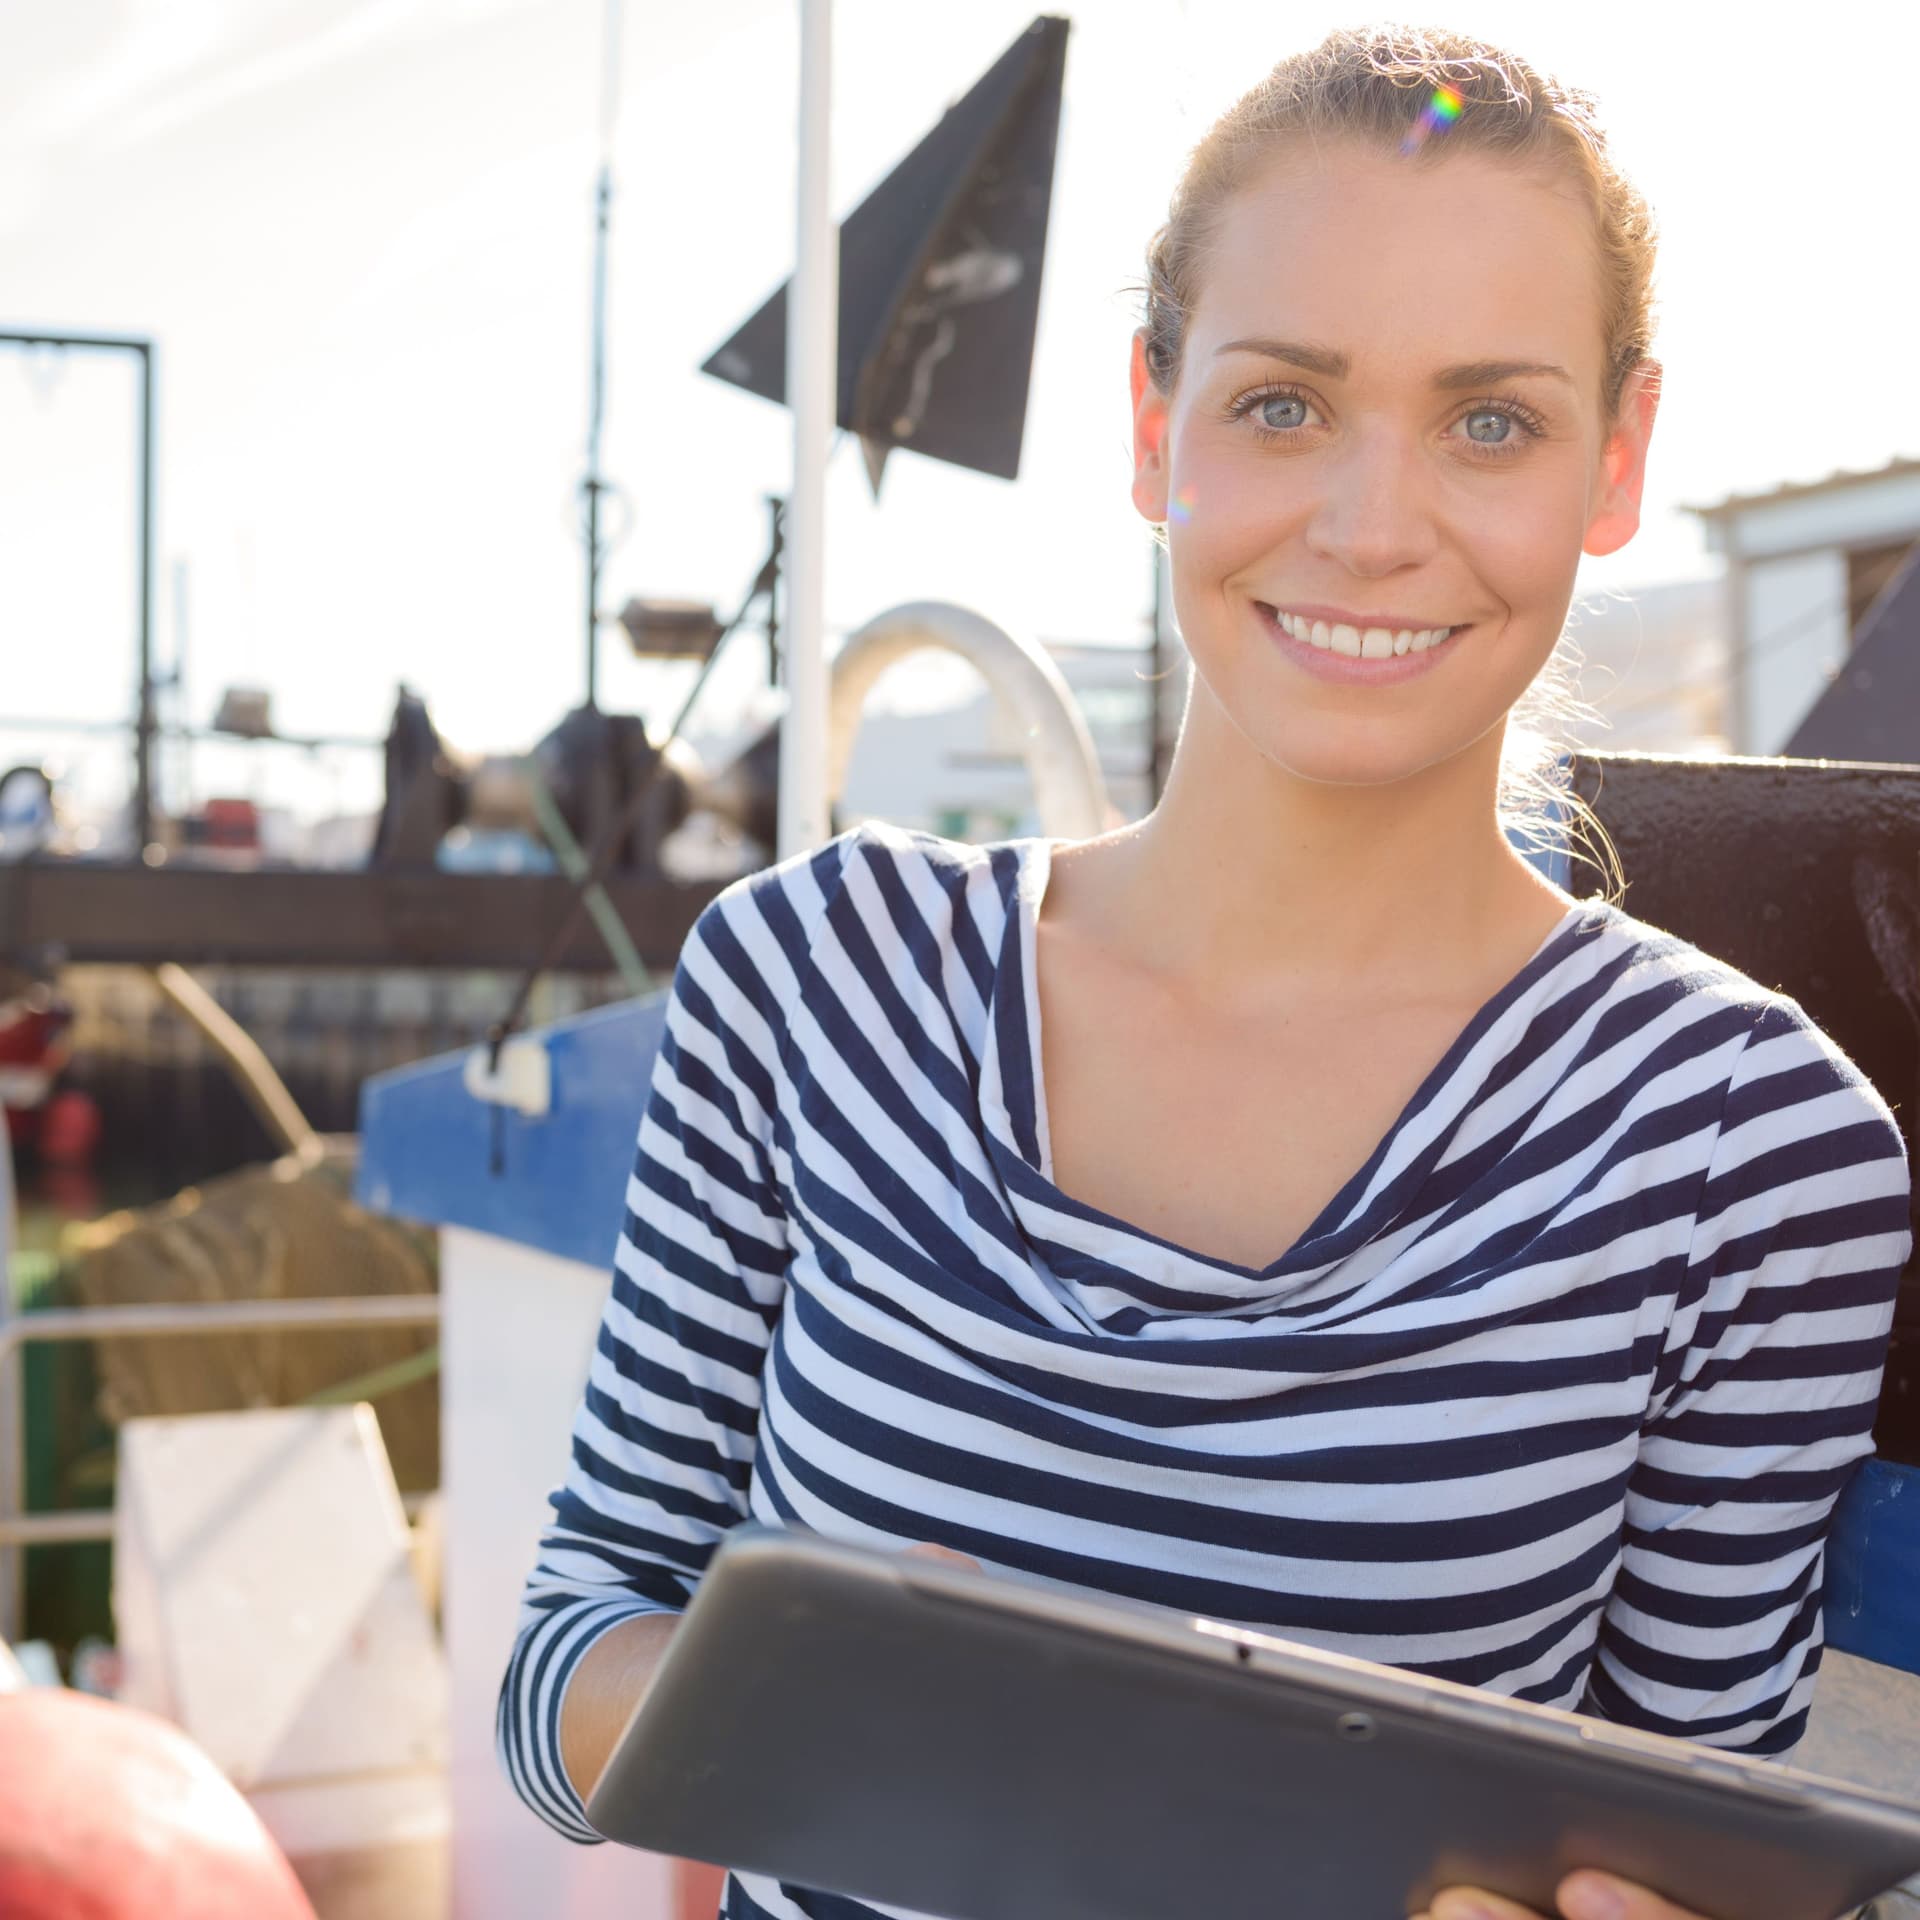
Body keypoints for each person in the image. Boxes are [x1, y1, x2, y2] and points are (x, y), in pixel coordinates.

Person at [497, 24, 1912, 1920]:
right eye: (1283, 405)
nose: (1373, 526)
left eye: (1490, 418)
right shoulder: (808, 974)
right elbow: (565, 1647)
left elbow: (1683, 1839)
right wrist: (827, 1711)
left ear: (1617, 457)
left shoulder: (1761, 1151)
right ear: (1153, 423)